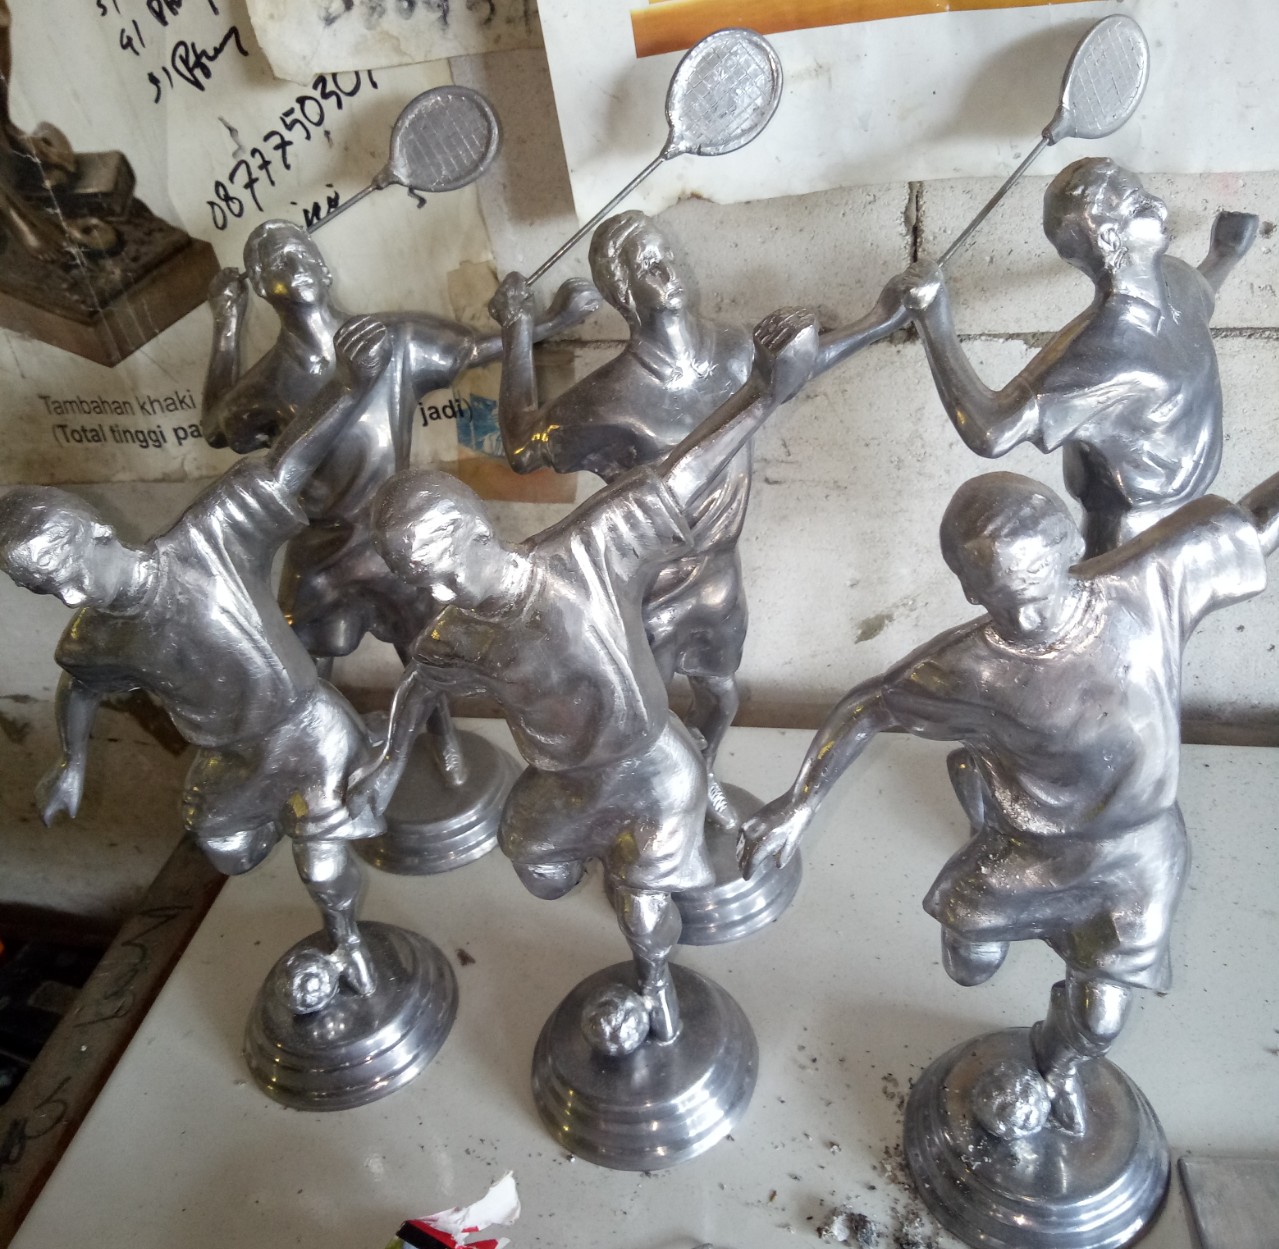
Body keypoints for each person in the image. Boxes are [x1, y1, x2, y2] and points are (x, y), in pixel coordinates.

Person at [738, 466, 1279, 1134]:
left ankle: (1057, 1070)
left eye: (1034, 589)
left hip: (1137, 856)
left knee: (1100, 1020)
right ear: (970, 592)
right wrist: (799, 803)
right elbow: (867, 706)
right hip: (1030, 850)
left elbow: (1253, 526)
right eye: (998, 599)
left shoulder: (1151, 580)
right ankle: (983, 794)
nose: (1025, 617)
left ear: (1068, 548)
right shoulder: (968, 666)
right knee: (967, 966)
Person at [352, 307, 821, 1042]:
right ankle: (619, 865)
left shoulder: (586, 552)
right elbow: (420, 682)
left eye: (441, 565)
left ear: (474, 530)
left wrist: (764, 389)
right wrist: (385, 764)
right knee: (535, 867)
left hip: (650, 764)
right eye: (419, 579)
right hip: (566, 780)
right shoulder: (456, 631)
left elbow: (679, 473)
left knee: (641, 898)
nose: (438, 589)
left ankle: (657, 989)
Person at [0, 317, 394, 999]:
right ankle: (317, 813)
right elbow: (80, 685)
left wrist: (349, 384)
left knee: (322, 862)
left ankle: (347, 936)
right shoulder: (96, 635)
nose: (68, 594)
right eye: (44, 588)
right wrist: (72, 761)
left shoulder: (208, 540)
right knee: (225, 849)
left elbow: (285, 463)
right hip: (231, 754)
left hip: (304, 726)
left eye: (68, 569)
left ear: (97, 530)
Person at [489, 212, 905, 770]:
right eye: (647, 265)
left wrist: (885, 315)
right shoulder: (607, 401)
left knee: (722, 696)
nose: (668, 271)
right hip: (649, 591)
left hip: (719, 577)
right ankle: (664, 796)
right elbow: (522, 446)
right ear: (623, 292)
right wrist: (517, 331)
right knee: (644, 726)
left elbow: (806, 365)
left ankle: (701, 780)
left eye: (667, 255)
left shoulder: (735, 351)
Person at [203, 220, 599, 782]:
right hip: (319, 547)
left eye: (303, 253)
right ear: (264, 285)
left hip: (395, 541)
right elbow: (217, 429)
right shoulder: (270, 381)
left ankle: (443, 740)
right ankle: (314, 754)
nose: (298, 266)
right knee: (299, 658)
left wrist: (547, 322)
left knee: (426, 652)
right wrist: (226, 324)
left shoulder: (390, 341)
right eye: (278, 262)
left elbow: (471, 349)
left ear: (325, 268)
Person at [889, 159, 1259, 556]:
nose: (1160, 207)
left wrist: (1225, 254)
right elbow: (993, 431)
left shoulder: (1178, 281)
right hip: (1127, 550)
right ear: (1112, 237)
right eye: (1139, 205)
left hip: (1197, 523)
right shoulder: (1097, 355)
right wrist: (934, 318)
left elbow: (1200, 300)